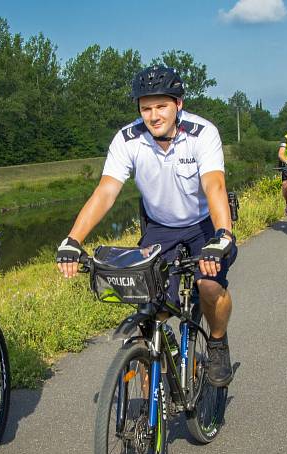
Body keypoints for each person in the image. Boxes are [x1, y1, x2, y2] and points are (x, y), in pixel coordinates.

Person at [55, 66, 238, 387]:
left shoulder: (202, 133)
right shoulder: (128, 139)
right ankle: (156, 376)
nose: (153, 116)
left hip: (204, 225)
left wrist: (222, 235)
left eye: (161, 106)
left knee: (208, 286)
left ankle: (218, 343)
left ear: (178, 104)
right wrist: (73, 240)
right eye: (145, 108)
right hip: (160, 228)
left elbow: (215, 186)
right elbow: (106, 191)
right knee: (149, 306)